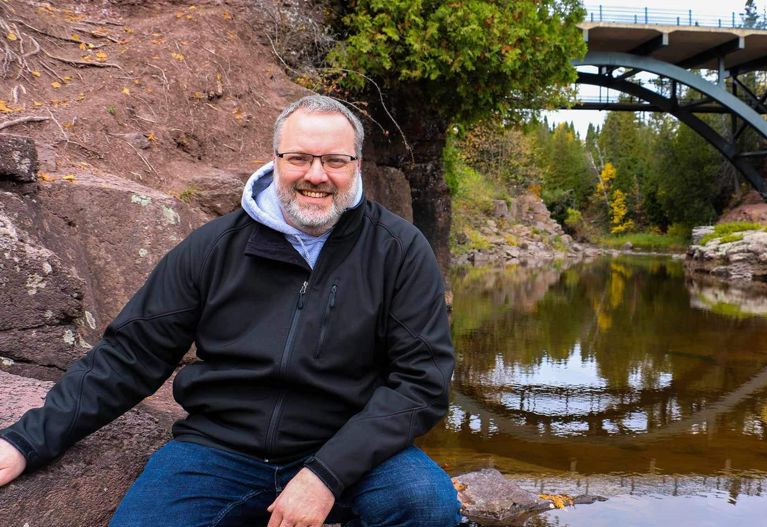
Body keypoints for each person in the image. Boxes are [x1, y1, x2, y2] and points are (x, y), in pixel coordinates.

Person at [0, 95, 460, 527]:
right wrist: (26, 442)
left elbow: (421, 380)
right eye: (299, 158)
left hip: (351, 448)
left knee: (425, 503)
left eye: (334, 161)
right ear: (276, 159)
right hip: (219, 449)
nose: (316, 175)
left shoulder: (398, 249)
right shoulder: (215, 246)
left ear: (356, 165)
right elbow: (130, 355)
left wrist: (327, 474)